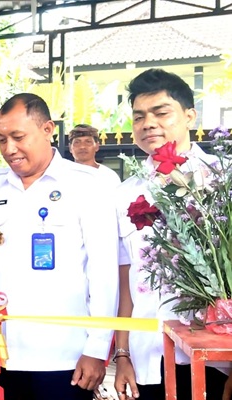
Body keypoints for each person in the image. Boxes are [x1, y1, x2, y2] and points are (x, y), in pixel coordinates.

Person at [0, 93, 119, 400]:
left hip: (66, 356)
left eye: (18, 137)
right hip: (7, 351)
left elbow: (104, 273)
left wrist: (97, 348)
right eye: (2, 139)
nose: (9, 149)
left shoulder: (87, 185)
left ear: (47, 130)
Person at [114, 68, 230, 400]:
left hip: (215, 357)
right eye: (139, 116)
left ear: (190, 116)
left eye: (161, 113)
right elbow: (127, 280)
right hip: (149, 354)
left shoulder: (222, 179)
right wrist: (122, 353)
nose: (148, 123)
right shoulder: (125, 193)